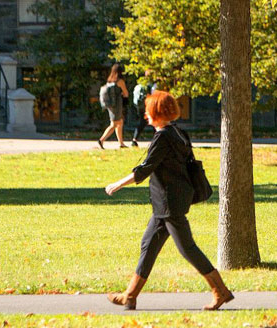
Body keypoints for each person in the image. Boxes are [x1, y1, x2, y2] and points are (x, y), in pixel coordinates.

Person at [103, 90, 234, 311]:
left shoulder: (163, 137)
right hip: (172, 201)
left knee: (187, 248)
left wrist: (118, 184)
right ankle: (130, 295)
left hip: (169, 203)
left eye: (148, 111)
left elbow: (145, 169)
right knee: (149, 244)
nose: (145, 115)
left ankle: (220, 292)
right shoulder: (178, 132)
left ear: (157, 112)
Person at [98, 64, 130, 149]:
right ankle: (101, 140)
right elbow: (126, 93)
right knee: (114, 124)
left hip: (110, 105)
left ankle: (121, 143)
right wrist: (123, 94)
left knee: (120, 122)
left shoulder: (110, 81)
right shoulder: (120, 81)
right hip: (116, 104)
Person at [130, 70, 159, 147]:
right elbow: (154, 94)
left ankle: (134, 140)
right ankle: (157, 140)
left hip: (140, 106)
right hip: (149, 105)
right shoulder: (153, 85)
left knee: (142, 122)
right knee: (155, 121)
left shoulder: (141, 84)